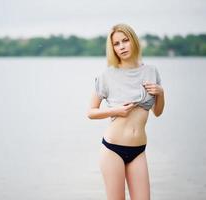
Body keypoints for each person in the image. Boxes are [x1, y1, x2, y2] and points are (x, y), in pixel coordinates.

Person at [87, 23, 165, 200]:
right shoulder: (107, 75)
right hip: (113, 149)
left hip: (138, 149)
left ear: (134, 41)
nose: (121, 46)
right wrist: (116, 111)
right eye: (116, 44)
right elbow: (91, 112)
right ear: (112, 48)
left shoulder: (151, 71)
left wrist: (161, 92)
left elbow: (158, 112)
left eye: (125, 40)